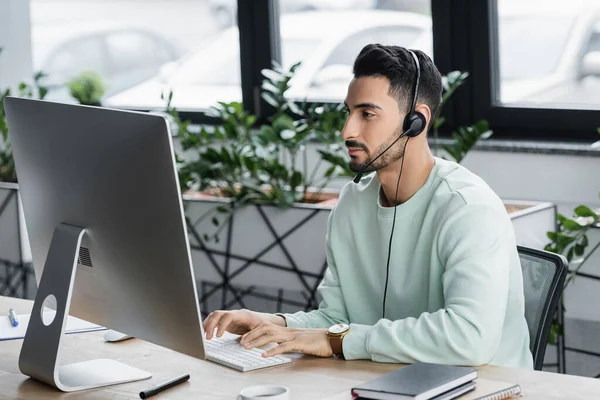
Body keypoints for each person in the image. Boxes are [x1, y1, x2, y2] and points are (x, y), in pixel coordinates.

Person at [202, 44, 534, 369]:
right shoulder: (352, 204)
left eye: (367, 114)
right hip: (392, 382)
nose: (348, 130)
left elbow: (469, 338)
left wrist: (339, 340)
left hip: (486, 388)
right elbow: (337, 320)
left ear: (415, 121)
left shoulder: (467, 208)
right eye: (349, 112)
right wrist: (269, 323)